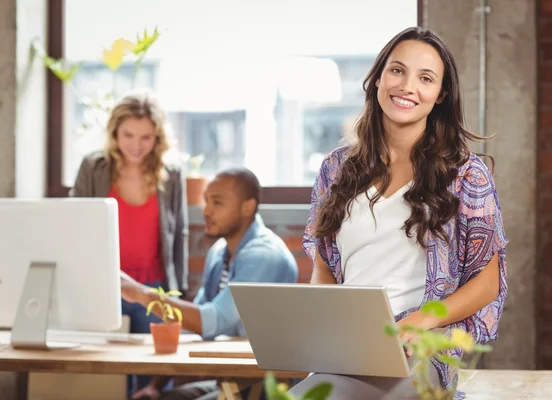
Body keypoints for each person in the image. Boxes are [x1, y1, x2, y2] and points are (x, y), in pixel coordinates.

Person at [291, 26, 508, 399]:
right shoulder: (336, 168)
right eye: (397, 70)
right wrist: (325, 331)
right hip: (349, 347)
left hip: (421, 349)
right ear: (377, 79)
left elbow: (488, 283)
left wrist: (422, 322)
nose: (407, 86)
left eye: (425, 78)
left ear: (440, 95)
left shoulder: (466, 174)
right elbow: (324, 266)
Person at [121, 167, 299, 400]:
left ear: (247, 207)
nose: (206, 210)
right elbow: (192, 326)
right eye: (206, 201)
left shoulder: (263, 255)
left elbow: (213, 321)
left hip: (263, 386)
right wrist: (156, 386)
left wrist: (142, 294)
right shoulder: (219, 252)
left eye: (217, 203)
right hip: (228, 383)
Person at [70, 90, 188, 396]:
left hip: (154, 288)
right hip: (105, 288)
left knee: (154, 380)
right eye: (128, 135)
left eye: (146, 137)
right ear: (114, 132)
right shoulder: (93, 168)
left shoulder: (172, 173)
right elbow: (76, 225)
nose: (136, 146)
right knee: (109, 376)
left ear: (158, 136)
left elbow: (180, 234)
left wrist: (181, 289)